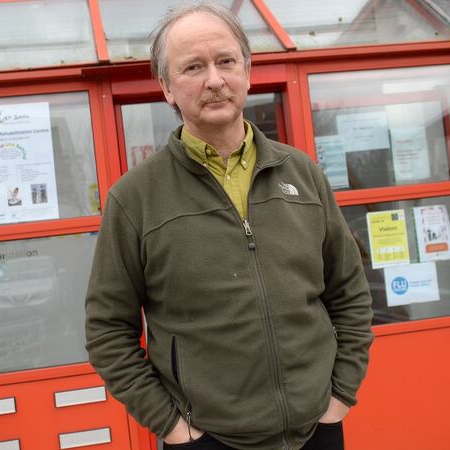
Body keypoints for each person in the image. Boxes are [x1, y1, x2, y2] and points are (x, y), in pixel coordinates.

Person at [85, 3, 374, 449]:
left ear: (248, 71)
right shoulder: (135, 198)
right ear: (166, 87)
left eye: (225, 61)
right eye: (193, 67)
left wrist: (339, 398)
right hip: (209, 440)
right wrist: (174, 428)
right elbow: (107, 331)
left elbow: (350, 293)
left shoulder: (302, 173)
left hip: (317, 430)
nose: (214, 80)